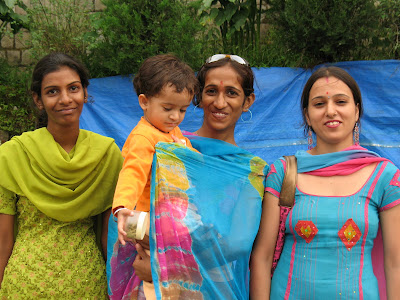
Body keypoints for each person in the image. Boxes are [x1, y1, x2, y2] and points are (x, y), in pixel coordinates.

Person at [115, 54, 268, 299]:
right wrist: (143, 247)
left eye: (231, 92)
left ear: (247, 100)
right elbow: (128, 210)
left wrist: (160, 267)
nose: (220, 102)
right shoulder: (163, 143)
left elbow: (235, 246)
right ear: (198, 95)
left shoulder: (249, 170)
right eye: (211, 91)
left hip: (214, 288)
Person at [250, 66, 400, 299]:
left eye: (341, 102)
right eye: (319, 104)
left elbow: (395, 263)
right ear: (307, 115)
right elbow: (262, 257)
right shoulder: (284, 171)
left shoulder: (384, 176)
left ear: (357, 111)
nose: (331, 111)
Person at [0, 53, 123, 298]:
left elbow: (109, 238)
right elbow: (3, 238)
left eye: (73, 88)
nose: (65, 99)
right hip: (26, 285)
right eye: (53, 91)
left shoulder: (107, 154)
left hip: (87, 284)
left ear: (85, 93)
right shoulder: (13, 155)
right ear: (38, 99)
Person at [109, 54, 199, 299]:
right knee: (150, 280)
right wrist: (123, 208)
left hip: (166, 218)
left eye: (182, 109)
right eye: (168, 108)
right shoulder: (144, 137)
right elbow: (133, 172)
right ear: (144, 101)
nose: (175, 117)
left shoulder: (171, 132)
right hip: (141, 218)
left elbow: (193, 162)